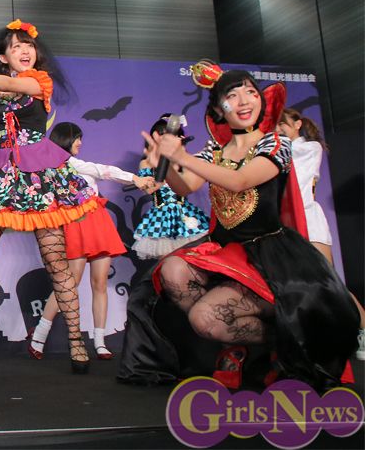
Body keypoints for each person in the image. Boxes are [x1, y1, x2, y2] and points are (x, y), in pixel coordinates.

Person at [118, 61, 358, 391]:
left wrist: (183, 157)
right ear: (219, 109)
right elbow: (186, 186)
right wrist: (167, 162)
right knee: (172, 271)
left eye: (250, 92)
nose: (244, 101)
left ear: (261, 100)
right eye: (232, 96)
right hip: (225, 251)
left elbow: (240, 180)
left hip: (269, 256)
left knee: (205, 319)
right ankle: (235, 346)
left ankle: (288, 344)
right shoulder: (215, 150)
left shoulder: (274, 144)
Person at [0, 20, 102, 376]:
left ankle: (76, 340)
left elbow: (12, 85)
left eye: (27, 45)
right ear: (3, 57)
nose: (24, 50)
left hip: (38, 175)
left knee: (56, 260)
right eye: (15, 46)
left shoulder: (39, 81)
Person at [28, 122, 151, 361]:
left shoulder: (77, 164)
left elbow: (104, 171)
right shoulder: (59, 167)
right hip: (76, 225)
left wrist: (135, 179)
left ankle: (100, 341)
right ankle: (39, 334)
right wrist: (135, 179)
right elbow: (103, 170)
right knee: (69, 283)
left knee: (100, 283)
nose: (80, 143)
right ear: (65, 139)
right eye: (77, 138)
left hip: (98, 223)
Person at [276, 107, 365, 361]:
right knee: (296, 289)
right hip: (285, 225)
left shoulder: (309, 147)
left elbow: (289, 160)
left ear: (297, 124)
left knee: (329, 283)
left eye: (282, 124)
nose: (278, 129)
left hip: (309, 222)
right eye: (275, 125)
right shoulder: (274, 152)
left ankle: (363, 329)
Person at [130, 114, 209, 260]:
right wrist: (159, 174)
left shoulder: (183, 159)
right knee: (166, 261)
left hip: (185, 214)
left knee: (192, 258)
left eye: (176, 136)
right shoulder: (146, 163)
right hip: (162, 216)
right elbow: (149, 189)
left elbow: (191, 184)